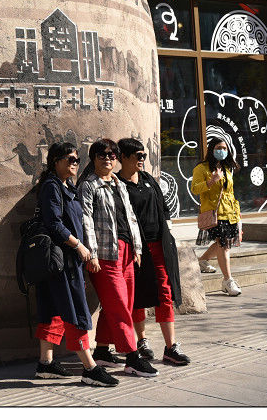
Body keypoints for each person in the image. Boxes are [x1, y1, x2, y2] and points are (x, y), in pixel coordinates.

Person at [32, 142, 119, 387]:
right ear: (55, 161)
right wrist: (79, 246)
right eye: (70, 159)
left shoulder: (66, 186)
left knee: (53, 309)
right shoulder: (52, 186)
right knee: (75, 311)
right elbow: (54, 223)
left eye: (77, 160)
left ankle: (45, 363)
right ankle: (90, 368)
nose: (75, 163)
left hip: (61, 260)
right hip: (63, 259)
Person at [77, 138, 158, 378]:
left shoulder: (118, 184)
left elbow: (130, 217)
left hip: (127, 251)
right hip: (105, 254)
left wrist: (137, 249)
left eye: (112, 155)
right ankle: (132, 358)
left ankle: (102, 350)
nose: (107, 159)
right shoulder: (89, 186)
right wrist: (91, 253)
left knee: (123, 304)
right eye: (102, 155)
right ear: (93, 159)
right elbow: (85, 220)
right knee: (120, 305)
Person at [117, 138, 190, 366]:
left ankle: (171, 346)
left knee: (164, 293)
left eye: (144, 156)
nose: (142, 159)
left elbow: (164, 209)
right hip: (135, 249)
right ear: (124, 157)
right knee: (137, 296)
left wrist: (168, 233)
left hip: (158, 245)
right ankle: (142, 340)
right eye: (138, 156)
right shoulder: (118, 184)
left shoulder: (148, 179)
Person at [193, 138, 243, 296]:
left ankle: (202, 261)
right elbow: (195, 188)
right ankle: (228, 280)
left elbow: (231, 194)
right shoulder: (201, 168)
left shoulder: (227, 169)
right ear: (211, 149)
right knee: (224, 245)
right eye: (218, 148)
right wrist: (211, 181)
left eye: (224, 148)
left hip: (230, 213)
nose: (222, 151)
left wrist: (238, 217)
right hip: (214, 214)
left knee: (223, 243)